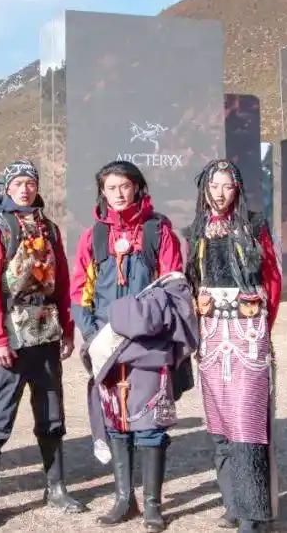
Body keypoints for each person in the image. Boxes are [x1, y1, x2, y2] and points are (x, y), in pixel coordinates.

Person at [71, 160, 186, 532]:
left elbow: (173, 285)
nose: (119, 194)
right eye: (111, 188)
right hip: (106, 345)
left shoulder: (158, 231)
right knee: (116, 422)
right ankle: (124, 499)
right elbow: (80, 292)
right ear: (102, 193)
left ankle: (152, 504)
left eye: (125, 186)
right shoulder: (93, 237)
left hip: (149, 343)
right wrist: (92, 335)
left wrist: (145, 325)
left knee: (150, 423)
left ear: (137, 187)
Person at [0, 160, 86, 528]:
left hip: (47, 332)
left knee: (51, 412)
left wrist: (68, 329)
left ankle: (56, 487)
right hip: (11, 335)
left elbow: (63, 281)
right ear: (7, 188)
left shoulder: (49, 229)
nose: (25, 189)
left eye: (30, 183)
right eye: (18, 183)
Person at [184, 159, 282, 533]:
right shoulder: (195, 232)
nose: (220, 193)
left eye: (227, 186)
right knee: (220, 421)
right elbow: (191, 284)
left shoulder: (254, 226)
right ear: (204, 189)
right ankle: (232, 503)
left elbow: (271, 280)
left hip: (248, 334)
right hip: (211, 337)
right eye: (214, 186)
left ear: (237, 189)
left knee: (248, 421)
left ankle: (253, 514)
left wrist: (261, 327)